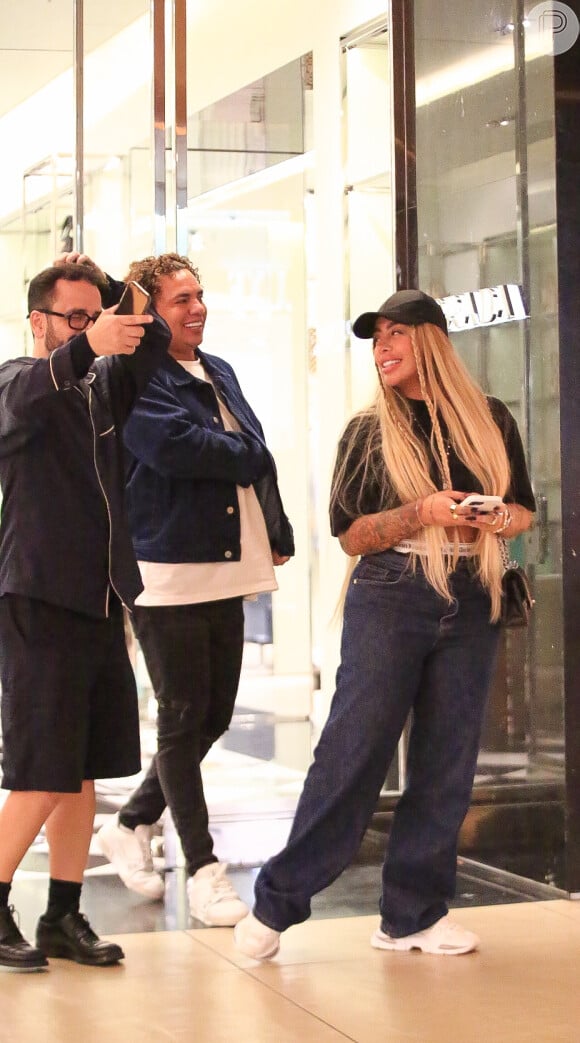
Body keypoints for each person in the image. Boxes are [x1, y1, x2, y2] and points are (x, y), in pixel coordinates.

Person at [234, 288, 535, 960]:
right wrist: (422, 512)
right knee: (353, 751)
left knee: (447, 760)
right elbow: (353, 534)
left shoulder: (490, 420)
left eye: (396, 335)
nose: (384, 349)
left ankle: (413, 913)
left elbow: (524, 511)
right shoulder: (370, 432)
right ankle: (277, 903)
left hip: (473, 586)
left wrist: (496, 517)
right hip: (393, 590)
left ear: (430, 340)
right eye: (377, 340)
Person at [97, 253, 294, 926]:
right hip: (167, 569)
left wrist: (279, 522)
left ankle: (131, 820)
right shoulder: (134, 375)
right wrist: (242, 452)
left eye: (200, 295)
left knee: (209, 719)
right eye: (181, 299)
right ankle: (204, 867)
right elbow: (175, 448)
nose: (197, 307)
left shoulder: (220, 371)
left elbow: (253, 445)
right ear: (148, 312)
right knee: (183, 718)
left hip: (230, 563)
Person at [0, 257, 171, 972]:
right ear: (40, 321)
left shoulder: (103, 390)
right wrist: (85, 343)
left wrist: (130, 297)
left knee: (80, 772)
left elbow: (152, 343)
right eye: (73, 317)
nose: (88, 328)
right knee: (42, 769)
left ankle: (63, 913)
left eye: (92, 316)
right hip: (39, 597)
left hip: (101, 600)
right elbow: (34, 392)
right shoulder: (17, 377)